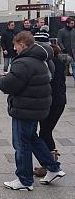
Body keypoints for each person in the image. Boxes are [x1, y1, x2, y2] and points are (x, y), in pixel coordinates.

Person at [0, 31, 65, 190]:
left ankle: (25, 180)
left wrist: (1, 79)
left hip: (25, 108)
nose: (15, 49)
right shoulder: (42, 59)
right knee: (32, 138)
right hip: (37, 106)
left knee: (21, 144)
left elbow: (9, 85)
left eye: (15, 46)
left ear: (22, 44)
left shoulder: (23, 62)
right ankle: (54, 168)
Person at [34, 44, 67, 177]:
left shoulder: (53, 64)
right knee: (45, 132)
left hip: (53, 103)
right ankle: (50, 162)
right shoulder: (56, 63)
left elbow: (52, 85)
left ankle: (50, 164)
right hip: (56, 103)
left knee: (45, 132)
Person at [57, 17, 75, 84]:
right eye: (71, 23)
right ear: (67, 24)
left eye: (73, 23)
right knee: (63, 69)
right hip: (65, 53)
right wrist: (63, 48)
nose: (73, 24)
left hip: (73, 53)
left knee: (74, 67)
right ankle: (62, 82)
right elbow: (59, 41)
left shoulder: (74, 31)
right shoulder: (61, 31)